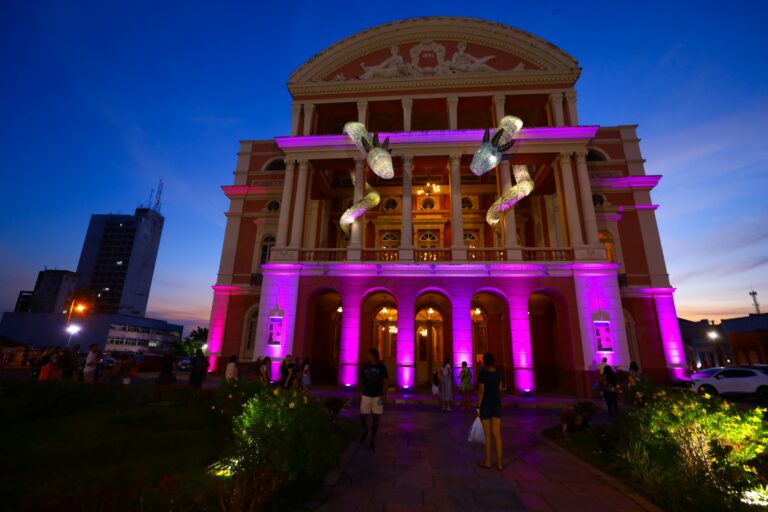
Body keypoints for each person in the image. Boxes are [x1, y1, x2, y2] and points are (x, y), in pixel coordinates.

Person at [477, 352, 503, 471]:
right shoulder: (499, 374)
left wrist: (478, 407)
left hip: (486, 405)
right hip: (497, 404)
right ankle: (499, 463)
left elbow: (481, 392)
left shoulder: (483, 374)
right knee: (497, 434)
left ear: (485, 362)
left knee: (487, 435)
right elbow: (499, 388)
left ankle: (487, 462)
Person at [360, 348, 388, 450]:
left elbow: (385, 381)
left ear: (373, 355)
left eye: (368, 354)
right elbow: (361, 379)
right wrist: (359, 391)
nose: (367, 356)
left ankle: (372, 438)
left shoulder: (381, 367)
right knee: (363, 415)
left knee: (376, 417)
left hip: (378, 395)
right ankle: (365, 429)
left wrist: (384, 395)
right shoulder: (365, 366)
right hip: (366, 394)